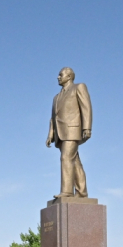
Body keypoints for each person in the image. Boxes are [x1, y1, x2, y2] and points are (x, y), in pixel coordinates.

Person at [45, 67, 92, 198]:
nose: (58, 77)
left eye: (61, 75)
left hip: (72, 129)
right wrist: (50, 134)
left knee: (66, 158)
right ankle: (82, 192)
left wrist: (86, 128)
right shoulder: (56, 97)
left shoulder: (79, 87)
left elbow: (86, 107)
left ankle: (67, 191)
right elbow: (53, 118)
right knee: (74, 161)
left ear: (69, 76)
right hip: (60, 133)